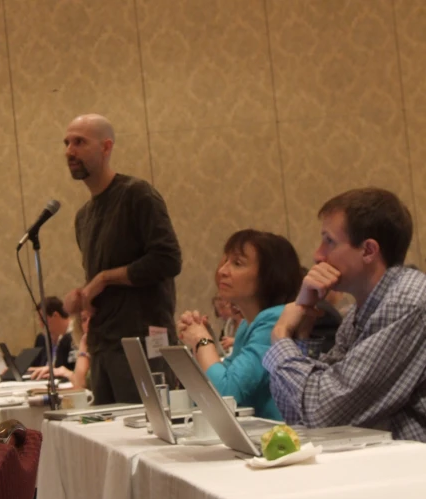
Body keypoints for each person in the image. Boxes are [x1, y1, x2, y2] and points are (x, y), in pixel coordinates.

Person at [264, 188, 426, 441]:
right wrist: (302, 330)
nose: (318, 255)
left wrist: (281, 335)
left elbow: (324, 413)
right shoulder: (358, 313)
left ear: (368, 250)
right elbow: (298, 414)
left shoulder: (406, 302)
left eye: (329, 241)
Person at [62, 114, 182, 405]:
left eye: (79, 142)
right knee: (110, 440)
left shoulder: (137, 195)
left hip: (142, 343)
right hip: (103, 346)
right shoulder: (83, 217)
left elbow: (168, 259)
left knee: (145, 438)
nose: (69, 151)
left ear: (106, 147)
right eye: (66, 143)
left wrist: (103, 278)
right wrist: (83, 298)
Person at [177, 230, 302, 420]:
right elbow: (206, 395)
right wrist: (198, 344)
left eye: (237, 263)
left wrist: (202, 341)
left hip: (283, 440)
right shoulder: (248, 324)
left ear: (269, 275)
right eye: (226, 261)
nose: (222, 271)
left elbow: (225, 395)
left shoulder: (276, 320)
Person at [30, 310, 91, 389]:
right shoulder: (46, 338)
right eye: (84, 319)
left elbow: (81, 383)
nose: (40, 324)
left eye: (42, 319)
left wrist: (66, 373)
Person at [31, 296, 75, 371]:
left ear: (55, 316)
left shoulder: (75, 335)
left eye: (42, 319)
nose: (41, 325)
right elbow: (55, 367)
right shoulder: (60, 337)